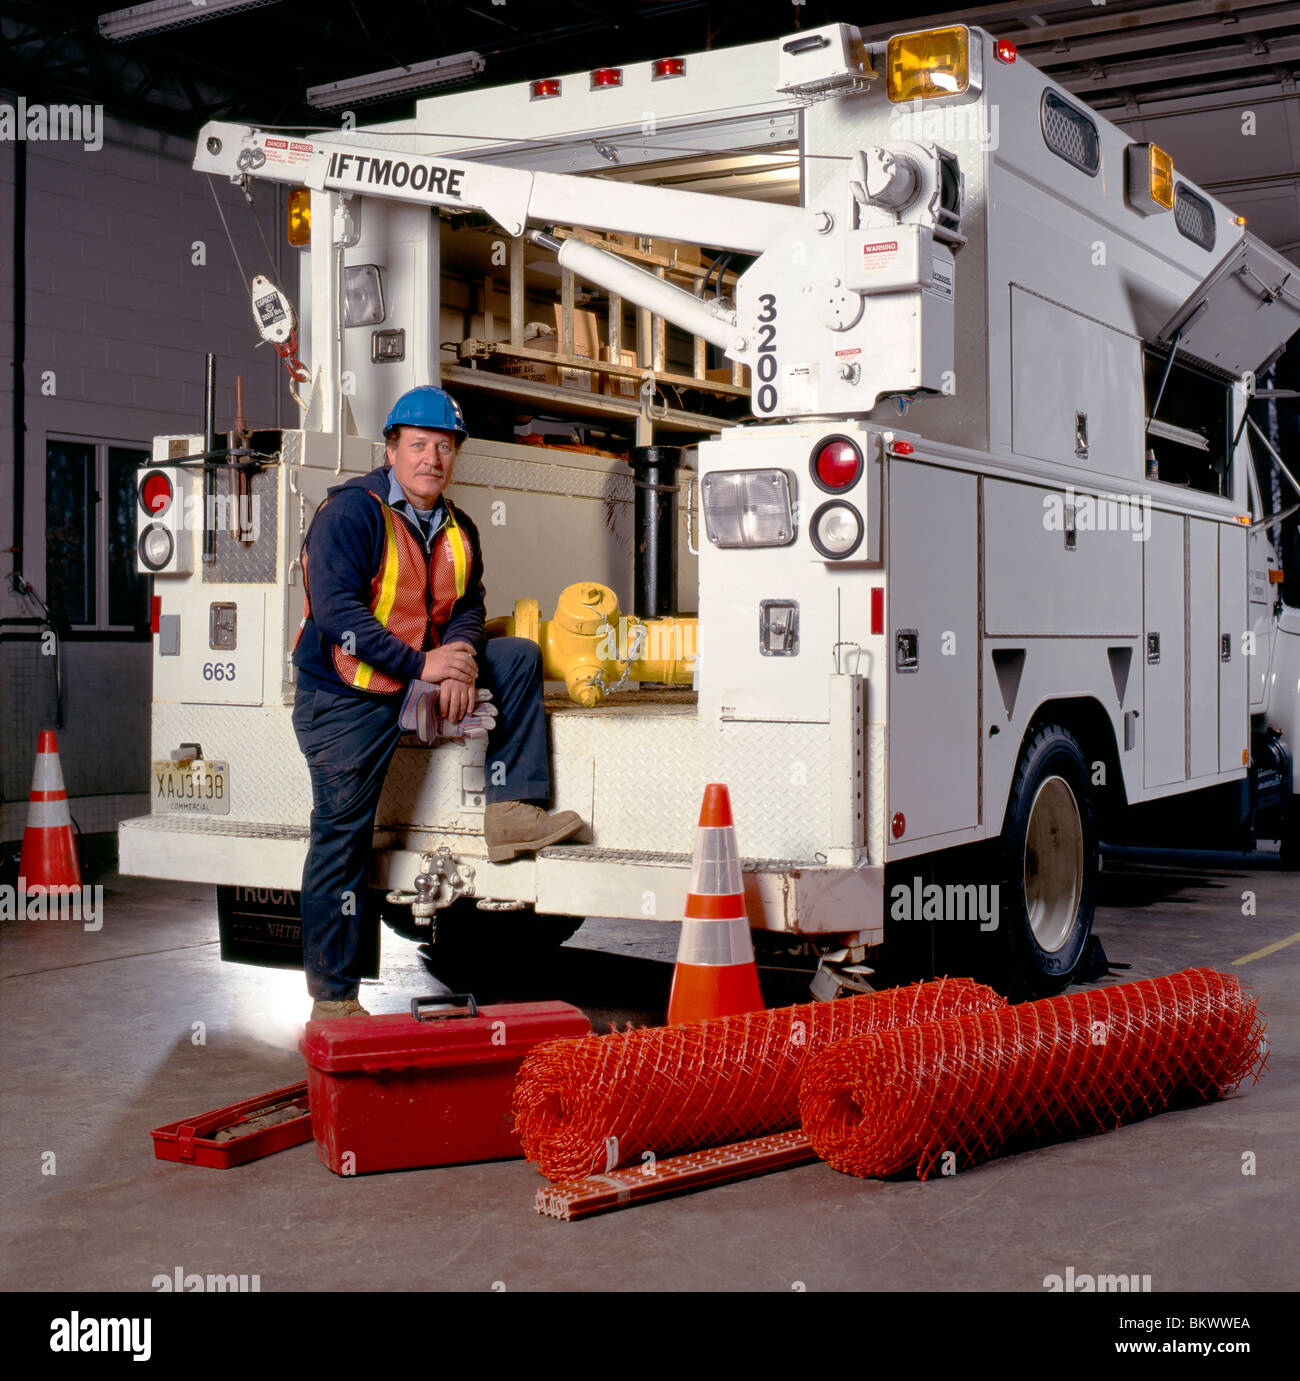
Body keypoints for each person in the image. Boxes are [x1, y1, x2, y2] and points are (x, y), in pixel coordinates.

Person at [291, 385, 585, 1019]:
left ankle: (510, 808)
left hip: (419, 678)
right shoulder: (351, 512)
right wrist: (424, 664)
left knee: (518, 656)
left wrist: (459, 659)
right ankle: (334, 999)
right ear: (391, 449)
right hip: (346, 693)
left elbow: (469, 604)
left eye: (444, 447)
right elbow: (336, 615)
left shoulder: (458, 525)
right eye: (419, 445)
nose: (432, 458)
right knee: (342, 836)